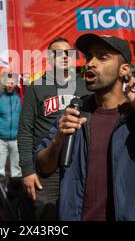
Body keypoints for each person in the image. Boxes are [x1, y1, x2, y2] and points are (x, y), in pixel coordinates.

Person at [36, 33, 135, 221]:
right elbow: (43, 167)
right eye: (89, 57)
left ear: (124, 70)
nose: (90, 63)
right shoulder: (75, 111)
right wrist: (58, 140)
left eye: (102, 57)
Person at [17, 37, 90, 220]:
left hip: (78, 167)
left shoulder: (85, 87)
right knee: (47, 217)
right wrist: (27, 171)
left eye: (68, 53)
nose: (64, 57)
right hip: (46, 169)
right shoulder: (36, 88)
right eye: (58, 54)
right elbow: (25, 131)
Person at [0, 74, 22, 178]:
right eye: (8, 83)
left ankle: (16, 193)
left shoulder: (20, 99)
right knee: (0, 172)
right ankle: (0, 193)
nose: (10, 85)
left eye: (12, 83)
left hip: (16, 140)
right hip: (0, 140)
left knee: (17, 171)